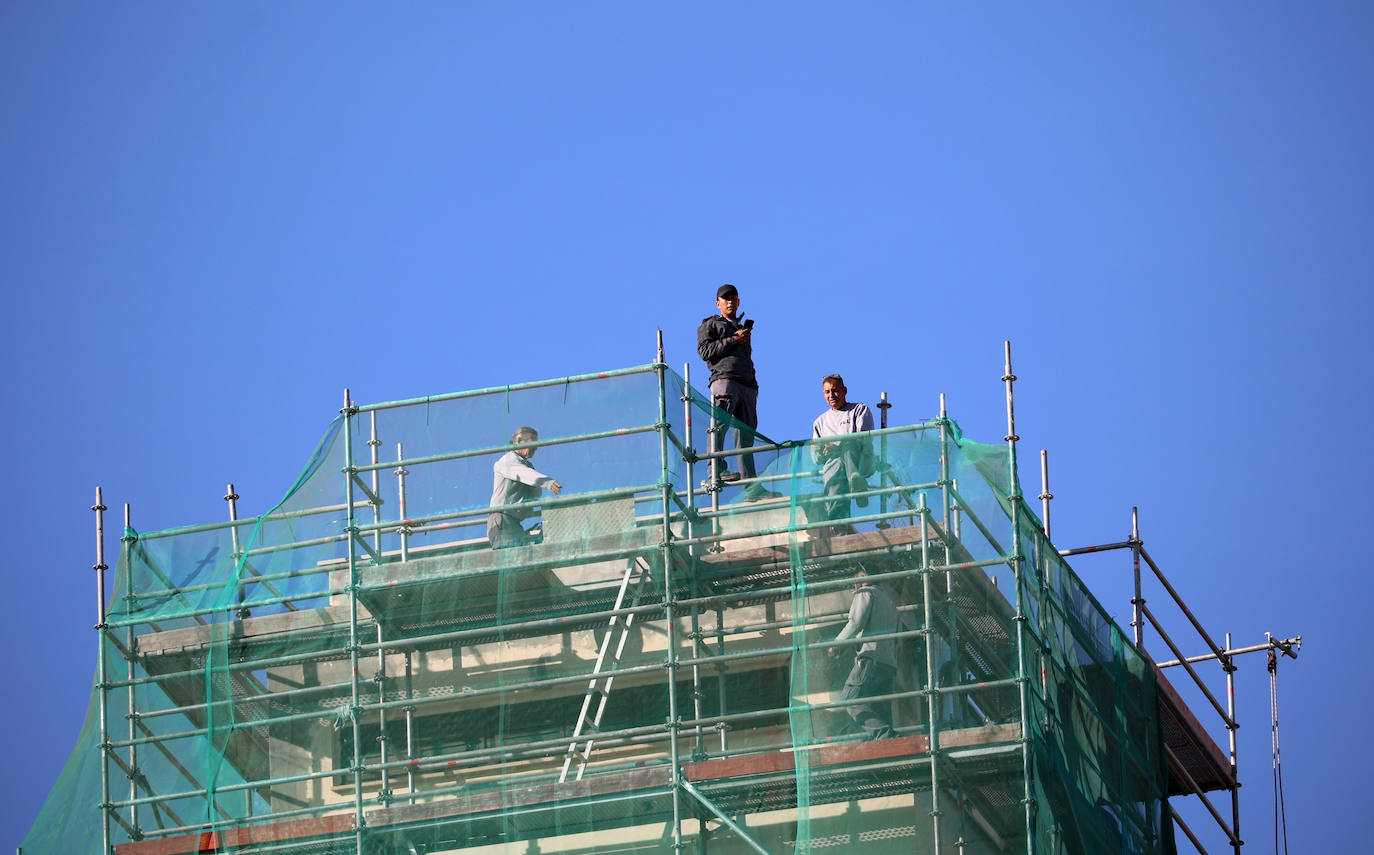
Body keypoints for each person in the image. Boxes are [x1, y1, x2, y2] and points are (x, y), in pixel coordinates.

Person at [697, 284, 778, 500]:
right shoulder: (711, 324)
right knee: (719, 426)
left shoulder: (741, 326)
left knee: (746, 436)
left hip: (746, 385)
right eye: (726, 298)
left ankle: (751, 487)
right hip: (725, 380)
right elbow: (704, 352)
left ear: (739, 301)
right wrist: (733, 340)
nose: (730, 301)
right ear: (718, 303)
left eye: (734, 297)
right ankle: (716, 469)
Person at [829, 568, 900, 740]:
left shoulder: (865, 592)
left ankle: (884, 735)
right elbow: (897, 638)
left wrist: (837, 645)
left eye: (861, 577)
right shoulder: (889, 601)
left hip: (871, 657)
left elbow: (856, 622)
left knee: (850, 698)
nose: (861, 581)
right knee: (878, 708)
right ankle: (887, 744)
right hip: (889, 663)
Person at [811, 374, 876, 525]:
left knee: (849, 444)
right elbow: (816, 457)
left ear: (844, 390)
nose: (831, 395)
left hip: (860, 463)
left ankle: (856, 482)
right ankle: (838, 530)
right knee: (835, 502)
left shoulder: (859, 410)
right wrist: (821, 450)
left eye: (835, 391)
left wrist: (837, 446)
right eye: (827, 392)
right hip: (834, 470)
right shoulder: (819, 422)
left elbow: (863, 439)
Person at [487, 426, 563, 549]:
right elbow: (524, 474)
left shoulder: (526, 465)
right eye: (533, 442)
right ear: (518, 441)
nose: (536, 447)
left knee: (521, 558)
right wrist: (547, 482)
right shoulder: (507, 461)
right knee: (510, 559)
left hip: (514, 523)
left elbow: (533, 491)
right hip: (502, 520)